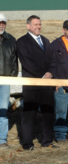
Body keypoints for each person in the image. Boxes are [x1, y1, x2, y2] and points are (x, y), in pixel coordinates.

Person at [17, 15, 54, 150]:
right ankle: (27, 143)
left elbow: (52, 60)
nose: (38, 27)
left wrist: (50, 73)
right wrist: (42, 76)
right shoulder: (22, 42)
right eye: (35, 24)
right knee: (29, 114)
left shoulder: (45, 40)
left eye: (39, 24)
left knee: (48, 113)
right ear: (28, 26)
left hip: (47, 84)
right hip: (31, 84)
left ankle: (47, 141)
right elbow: (27, 63)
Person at [0, 14, 18, 148]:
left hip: (5, 80)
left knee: (3, 109)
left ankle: (2, 139)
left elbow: (14, 62)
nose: (1, 25)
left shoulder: (11, 40)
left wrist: (12, 75)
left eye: (3, 23)